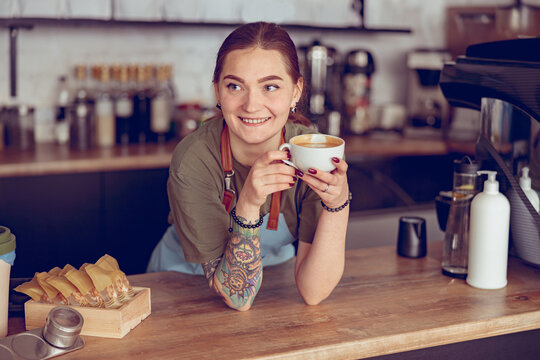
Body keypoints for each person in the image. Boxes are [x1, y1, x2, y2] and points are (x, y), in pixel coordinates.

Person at [147, 21, 351, 311]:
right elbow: (236, 297)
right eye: (235, 86)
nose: (252, 105)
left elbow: (313, 292)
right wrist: (249, 203)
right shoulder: (194, 159)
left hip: (274, 282)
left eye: (270, 87)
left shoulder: (311, 153)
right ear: (217, 91)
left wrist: (338, 204)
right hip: (178, 287)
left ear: (296, 91)